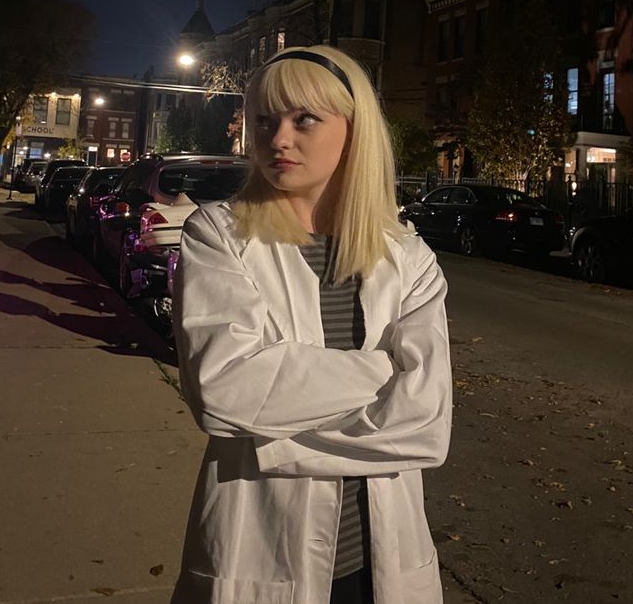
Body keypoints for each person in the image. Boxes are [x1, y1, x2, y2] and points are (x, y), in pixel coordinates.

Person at [171, 45, 452, 604]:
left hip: (382, 565)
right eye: (264, 120)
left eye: (305, 119)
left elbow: (429, 417)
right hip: (260, 551)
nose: (278, 139)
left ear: (355, 130)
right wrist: (385, 373)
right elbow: (224, 390)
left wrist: (272, 438)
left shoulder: (408, 256)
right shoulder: (219, 237)